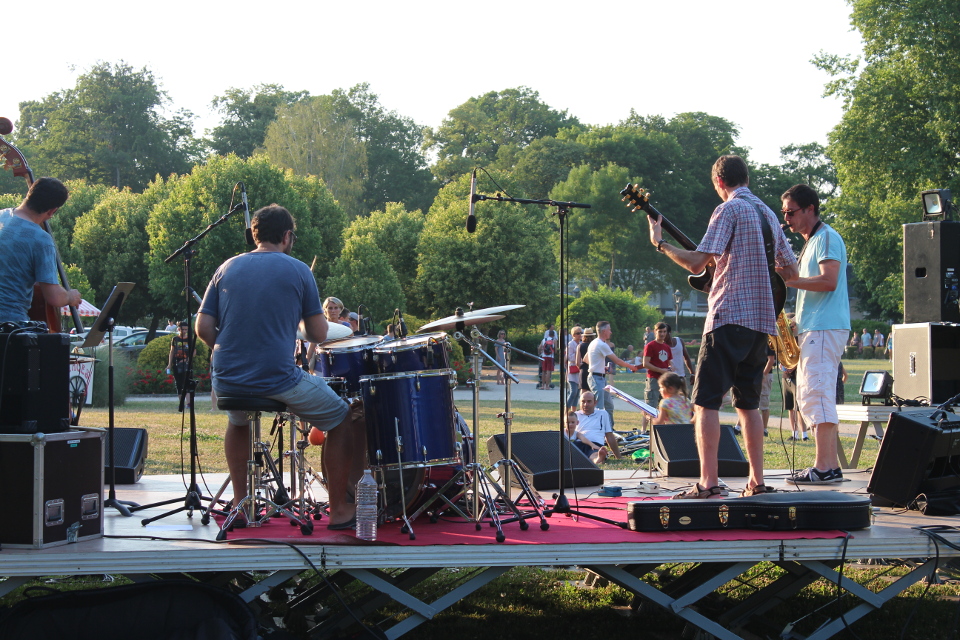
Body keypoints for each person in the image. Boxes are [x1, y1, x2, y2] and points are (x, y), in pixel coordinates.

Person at [196, 204, 364, 530]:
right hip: (277, 377)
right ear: (287, 236)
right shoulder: (299, 270)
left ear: (255, 235)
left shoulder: (226, 268)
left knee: (239, 421)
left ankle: (241, 503)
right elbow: (317, 333)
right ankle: (340, 509)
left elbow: (203, 329)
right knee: (342, 416)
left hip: (227, 378)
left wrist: (232, 352)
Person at [648, 154, 798, 498]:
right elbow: (789, 271)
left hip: (729, 316)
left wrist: (660, 243)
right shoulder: (768, 214)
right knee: (747, 404)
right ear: (746, 177)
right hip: (762, 323)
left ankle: (710, 484)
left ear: (719, 183)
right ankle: (757, 483)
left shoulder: (728, 210)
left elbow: (698, 260)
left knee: (706, 402)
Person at [780, 184, 850, 485]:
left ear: (810, 208)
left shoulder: (826, 238)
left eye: (791, 212)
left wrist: (790, 281)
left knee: (816, 395)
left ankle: (823, 468)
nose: (787, 219)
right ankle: (829, 466)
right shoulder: (811, 242)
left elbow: (829, 281)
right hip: (816, 327)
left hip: (824, 328)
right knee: (813, 395)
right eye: (784, 213)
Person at [0, 177, 81, 323]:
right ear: (52, 211)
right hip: (9, 324)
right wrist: (70, 296)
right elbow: (54, 297)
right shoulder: (40, 239)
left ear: (29, 194)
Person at [587, 321, 640, 417]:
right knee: (599, 408)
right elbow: (617, 361)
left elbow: (586, 359)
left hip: (600, 377)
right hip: (596, 378)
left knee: (609, 406)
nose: (611, 332)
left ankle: (609, 430)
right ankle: (599, 430)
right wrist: (632, 367)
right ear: (604, 331)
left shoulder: (593, 343)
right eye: (609, 329)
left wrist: (600, 367)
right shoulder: (602, 345)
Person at [572, 391, 620, 464]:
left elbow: (609, 436)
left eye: (589, 401)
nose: (586, 404)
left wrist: (618, 456)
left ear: (595, 403)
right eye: (583, 402)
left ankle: (598, 459)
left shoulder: (603, 414)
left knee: (594, 454)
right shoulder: (575, 415)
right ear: (580, 402)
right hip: (578, 443)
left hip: (595, 444)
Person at [642, 322, 673, 430]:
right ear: (655, 332)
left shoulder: (667, 347)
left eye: (664, 331)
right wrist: (660, 370)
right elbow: (645, 363)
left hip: (665, 381)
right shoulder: (650, 345)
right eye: (660, 331)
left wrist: (670, 369)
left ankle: (660, 429)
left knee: (663, 406)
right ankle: (644, 430)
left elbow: (670, 362)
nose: (662, 334)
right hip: (653, 379)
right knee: (650, 406)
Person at [167, 321, 196, 407]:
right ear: (179, 329)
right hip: (176, 364)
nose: (184, 331)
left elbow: (194, 352)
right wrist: (169, 364)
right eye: (182, 329)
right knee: (178, 383)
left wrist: (186, 360)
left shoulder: (190, 339)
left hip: (187, 364)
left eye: (186, 330)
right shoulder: (175, 339)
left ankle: (189, 403)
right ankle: (181, 403)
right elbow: (172, 352)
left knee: (187, 383)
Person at [666, 325, 695, 396]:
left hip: (681, 376)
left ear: (670, 332)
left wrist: (692, 373)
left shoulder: (679, 341)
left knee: (684, 399)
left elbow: (686, 357)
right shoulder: (661, 345)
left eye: (665, 332)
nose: (663, 335)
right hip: (668, 377)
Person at [565, 327, 582, 405]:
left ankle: (573, 411)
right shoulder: (571, 344)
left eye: (581, 333)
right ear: (573, 335)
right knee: (573, 392)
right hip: (572, 370)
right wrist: (578, 356)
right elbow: (569, 357)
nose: (580, 335)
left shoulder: (581, 344)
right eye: (578, 333)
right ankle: (566, 409)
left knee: (577, 393)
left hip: (579, 370)